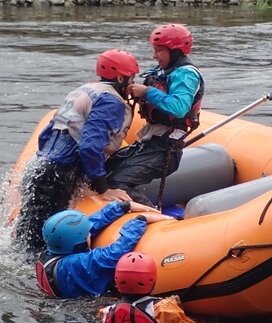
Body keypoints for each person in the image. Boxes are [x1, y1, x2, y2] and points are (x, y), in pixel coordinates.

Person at [15, 49, 141, 254]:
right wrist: (103, 187)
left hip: (43, 165)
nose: (133, 83)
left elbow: (46, 133)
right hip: (60, 173)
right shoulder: (111, 101)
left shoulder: (84, 90)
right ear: (120, 78)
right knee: (49, 242)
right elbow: (90, 145)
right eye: (132, 77)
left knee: (28, 237)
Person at [105, 23, 205, 207]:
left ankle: (151, 216)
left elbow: (179, 108)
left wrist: (147, 92)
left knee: (116, 183)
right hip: (150, 142)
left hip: (166, 148)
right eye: (155, 50)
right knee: (104, 171)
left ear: (175, 51)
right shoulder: (166, 71)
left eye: (159, 50)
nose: (154, 55)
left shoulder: (186, 75)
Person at [35, 200, 173, 299]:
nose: (90, 234)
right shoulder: (77, 264)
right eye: (88, 234)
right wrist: (139, 221)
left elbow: (87, 225)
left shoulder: (53, 250)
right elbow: (116, 252)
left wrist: (121, 207)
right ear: (79, 244)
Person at [99, 252, 203, 323]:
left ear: (116, 281)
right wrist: (177, 306)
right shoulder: (163, 309)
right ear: (153, 282)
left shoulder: (105, 312)